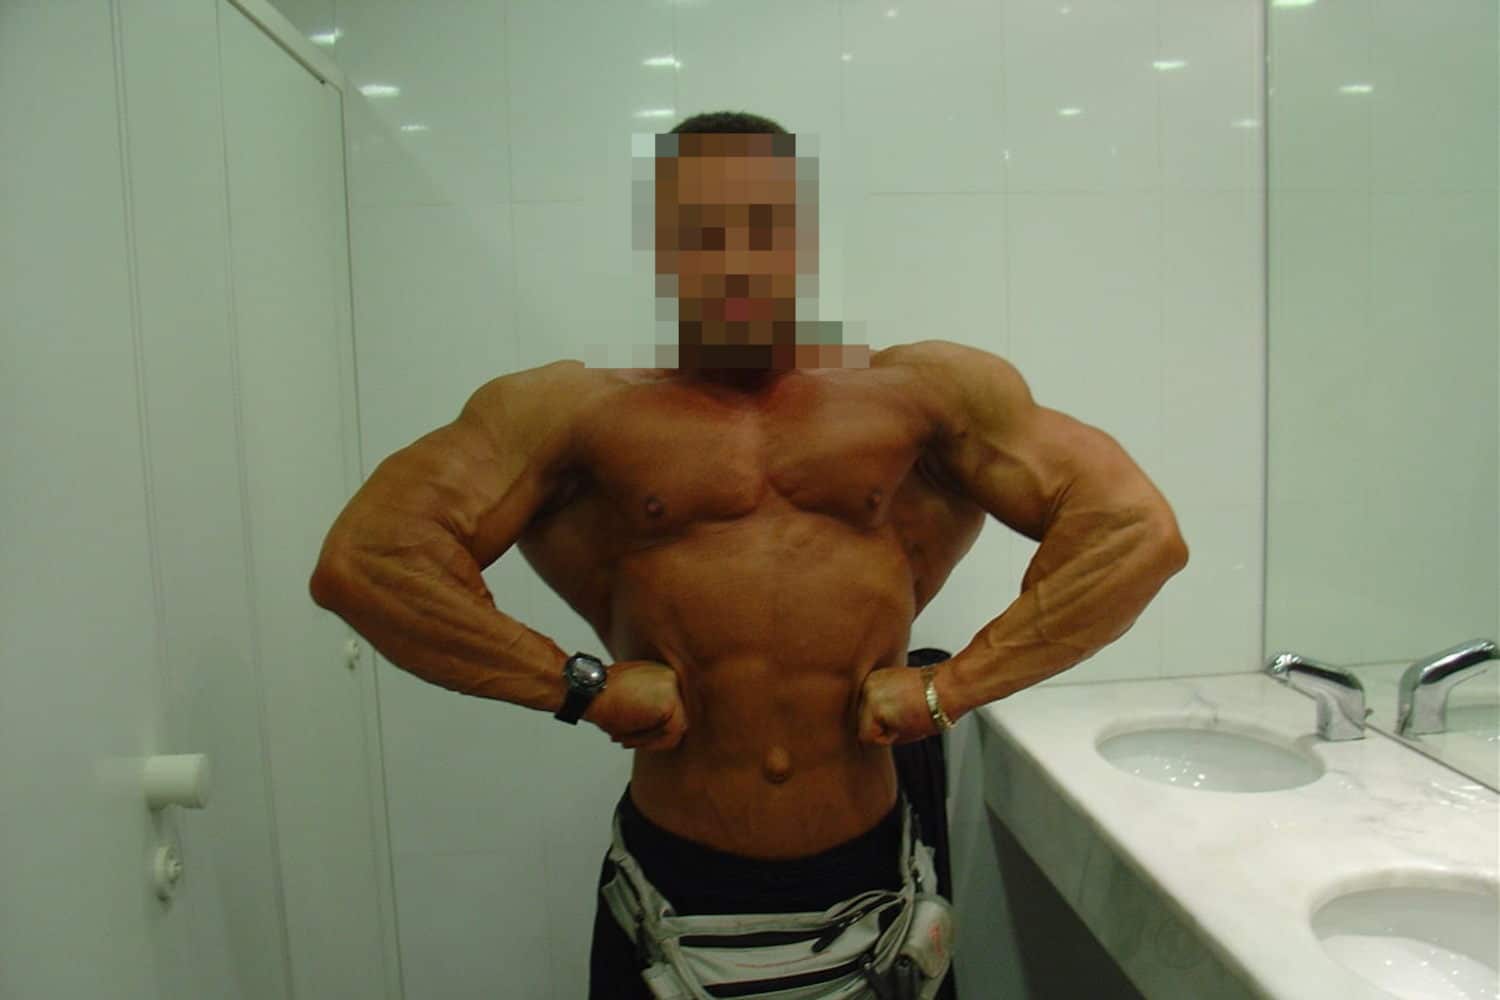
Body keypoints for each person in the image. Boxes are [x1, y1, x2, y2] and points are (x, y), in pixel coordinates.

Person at [308, 110, 1188, 999]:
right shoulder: (572, 414)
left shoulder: (921, 398)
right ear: (663, 248)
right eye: (703, 232)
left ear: (802, 240)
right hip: (668, 890)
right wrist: (580, 687)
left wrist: (949, 687)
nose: (736, 260)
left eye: (763, 227)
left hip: (877, 880)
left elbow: (1134, 534)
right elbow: (370, 561)